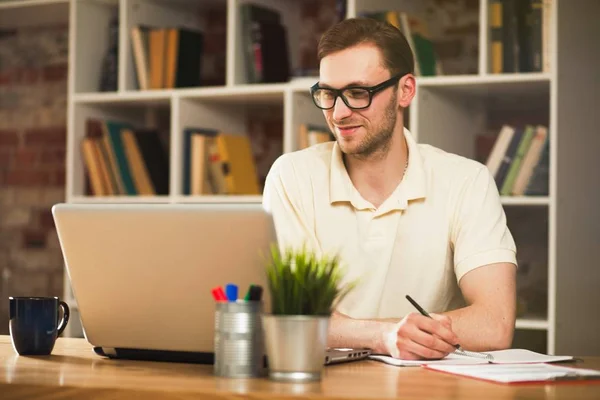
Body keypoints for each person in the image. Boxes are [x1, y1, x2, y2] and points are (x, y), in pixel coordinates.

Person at [262, 17, 517, 360]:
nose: (338, 113)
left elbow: (494, 322)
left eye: (357, 93)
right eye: (327, 94)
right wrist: (383, 335)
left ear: (406, 90)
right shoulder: (292, 176)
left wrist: (365, 331)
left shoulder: (467, 181)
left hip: (428, 390)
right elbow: (289, 319)